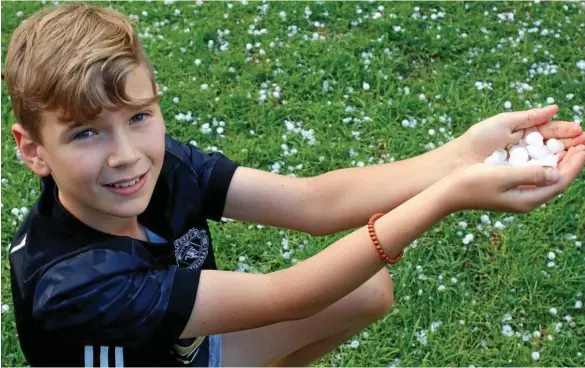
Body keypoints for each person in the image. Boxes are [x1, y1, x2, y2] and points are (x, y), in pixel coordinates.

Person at [4, 3, 585, 367]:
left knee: (365, 289)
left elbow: (315, 202)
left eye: (138, 117)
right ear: (35, 150)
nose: (126, 156)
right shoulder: (74, 285)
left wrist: (460, 155)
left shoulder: (159, 167)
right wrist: (449, 197)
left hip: (183, 348)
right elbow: (290, 294)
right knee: (335, 289)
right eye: (85, 134)